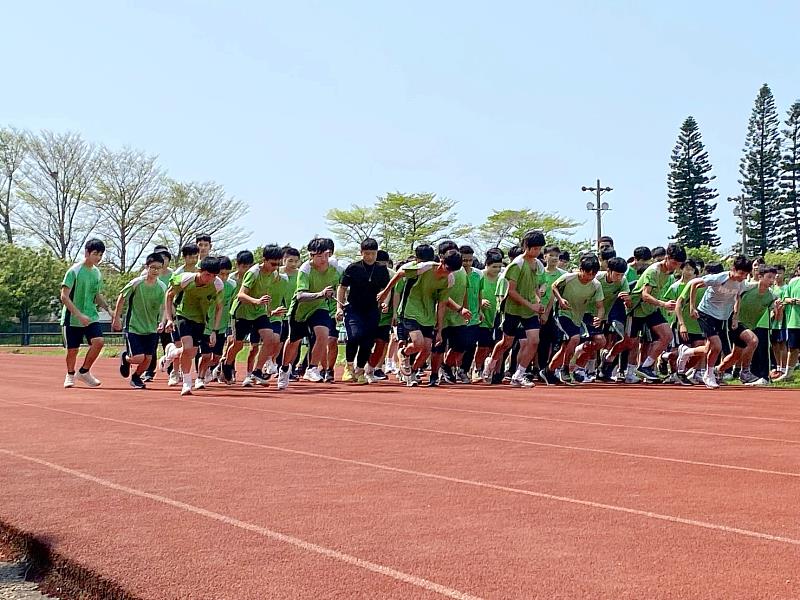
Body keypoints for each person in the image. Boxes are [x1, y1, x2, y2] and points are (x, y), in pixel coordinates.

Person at [377, 249, 461, 387]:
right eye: (447, 268)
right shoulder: (425, 268)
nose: (448, 272)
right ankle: (403, 353)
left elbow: (442, 305)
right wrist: (385, 292)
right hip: (411, 309)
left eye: (452, 271)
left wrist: (439, 329)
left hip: (428, 315)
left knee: (426, 349)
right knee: (418, 343)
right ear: (441, 261)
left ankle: (413, 372)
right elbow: (399, 273)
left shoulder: (449, 280)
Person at [483, 230, 547, 388]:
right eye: (534, 248)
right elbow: (511, 291)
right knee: (506, 343)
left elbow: (535, 286)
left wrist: (538, 302)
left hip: (529, 311)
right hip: (512, 310)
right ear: (526, 246)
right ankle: (491, 362)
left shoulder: (538, 264)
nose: (537, 252)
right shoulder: (517, 265)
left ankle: (519, 374)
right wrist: (531, 304)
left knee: (534, 341)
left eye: (539, 249)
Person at [277, 238, 342, 389]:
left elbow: (343, 285)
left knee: (323, 334)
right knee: (294, 341)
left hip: (320, 307)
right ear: (311, 256)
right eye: (318, 256)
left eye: (326, 255)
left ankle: (312, 367)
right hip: (301, 309)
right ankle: (285, 368)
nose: (323, 259)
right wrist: (320, 294)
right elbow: (300, 296)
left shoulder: (336, 268)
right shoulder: (305, 269)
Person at [223, 245, 288, 387]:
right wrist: (256, 301)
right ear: (264, 260)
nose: (275, 267)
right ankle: (227, 364)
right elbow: (240, 295)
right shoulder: (253, 273)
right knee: (238, 344)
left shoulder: (274, 274)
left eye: (278, 264)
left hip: (259, 312)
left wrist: (270, 311)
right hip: (242, 312)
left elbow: (266, 295)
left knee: (270, 338)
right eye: (272, 264)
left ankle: (257, 371)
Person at [686, 254, 753, 389]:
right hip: (706, 313)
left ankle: (687, 352)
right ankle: (709, 374)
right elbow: (694, 284)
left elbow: (737, 298)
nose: (743, 276)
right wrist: (692, 307)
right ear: (733, 269)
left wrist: (735, 317)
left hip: (721, 317)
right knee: (717, 346)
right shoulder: (719, 278)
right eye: (741, 273)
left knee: (709, 348)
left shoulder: (741, 283)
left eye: (746, 274)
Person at [163, 256, 224, 396]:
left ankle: (171, 352)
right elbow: (169, 295)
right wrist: (169, 319)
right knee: (188, 347)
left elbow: (219, 307)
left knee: (190, 352)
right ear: (199, 270)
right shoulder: (185, 279)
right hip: (183, 314)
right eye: (207, 274)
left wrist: (214, 330)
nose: (210, 278)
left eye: (214, 276)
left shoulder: (218, 285)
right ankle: (186, 382)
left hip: (201, 319)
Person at [541, 254, 604, 384]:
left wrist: (600, 318)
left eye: (593, 274)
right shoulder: (569, 277)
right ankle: (565, 367)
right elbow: (554, 286)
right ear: (581, 269)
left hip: (577, 316)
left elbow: (600, 306)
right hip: (562, 313)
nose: (589, 277)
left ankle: (548, 370)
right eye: (587, 273)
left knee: (565, 347)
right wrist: (560, 299)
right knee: (574, 338)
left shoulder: (596, 285)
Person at [629, 243, 686, 382]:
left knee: (667, 335)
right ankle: (613, 364)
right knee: (630, 342)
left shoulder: (670, 272)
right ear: (667, 258)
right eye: (674, 262)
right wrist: (664, 304)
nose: (675, 266)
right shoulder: (653, 271)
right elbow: (645, 295)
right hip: (637, 308)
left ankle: (646, 366)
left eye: (679, 264)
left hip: (651, 309)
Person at [337, 238, 391, 384]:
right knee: (355, 336)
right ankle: (349, 367)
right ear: (361, 253)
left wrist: (384, 303)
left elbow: (385, 290)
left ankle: (360, 370)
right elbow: (342, 287)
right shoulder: (353, 268)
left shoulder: (381, 269)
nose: (369, 257)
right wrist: (339, 307)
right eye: (366, 253)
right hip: (354, 309)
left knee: (368, 341)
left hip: (372, 309)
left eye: (372, 253)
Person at [112, 252, 168, 389]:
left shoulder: (162, 287)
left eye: (158, 268)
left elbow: (166, 306)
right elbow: (122, 297)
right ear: (147, 267)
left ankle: (136, 377)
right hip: (134, 327)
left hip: (151, 328)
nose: (155, 271)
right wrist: (116, 318)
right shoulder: (136, 283)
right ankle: (125, 357)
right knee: (138, 358)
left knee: (148, 359)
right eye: (153, 267)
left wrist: (163, 321)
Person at [720, 265, 781, 386]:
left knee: (735, 356)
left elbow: (778, 319)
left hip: (748, 326)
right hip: (735, 323)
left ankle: (717, 371)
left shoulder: (772, 296)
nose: (771, 280)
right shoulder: (747, 287)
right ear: (760, 277)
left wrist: (779, 309)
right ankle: (745, 372)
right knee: (753, 341)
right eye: (769, 277)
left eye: (773, 278)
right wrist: (735, 317)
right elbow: (735, 297)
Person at [61, 239, 109, 388]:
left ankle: (84, 371)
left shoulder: (96, 273)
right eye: (95, 254)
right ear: (87, 252)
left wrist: (108, 309)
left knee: (99, 342)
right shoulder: (74, 271)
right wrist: (79, 315)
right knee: (73, 350)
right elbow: (64, 296)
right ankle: (70, 375)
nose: (98, 258)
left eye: (101, 255)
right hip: (72, 319)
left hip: (91, 317)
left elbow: (96, 295)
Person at [196, 256, 237, 389]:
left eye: (227, 274)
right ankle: (200, 377)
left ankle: (214, 370)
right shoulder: (210, 284)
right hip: (207, 325)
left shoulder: (232, 285)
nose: (224, 277)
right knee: (206, 354)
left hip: (222, 325)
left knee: (217, 357)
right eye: (221, 274)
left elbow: (230, 305)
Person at [473, 249, 504, 382]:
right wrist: (480, 302)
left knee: (494, 345)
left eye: (499, 267)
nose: (497, 269)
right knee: (482, 345)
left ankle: (492, 371)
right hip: (482, 315)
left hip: (496, 315)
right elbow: (473, 293)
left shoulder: (502, 278)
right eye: (494, 267)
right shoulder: (480, 276)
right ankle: (476, 369)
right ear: (487, 265)